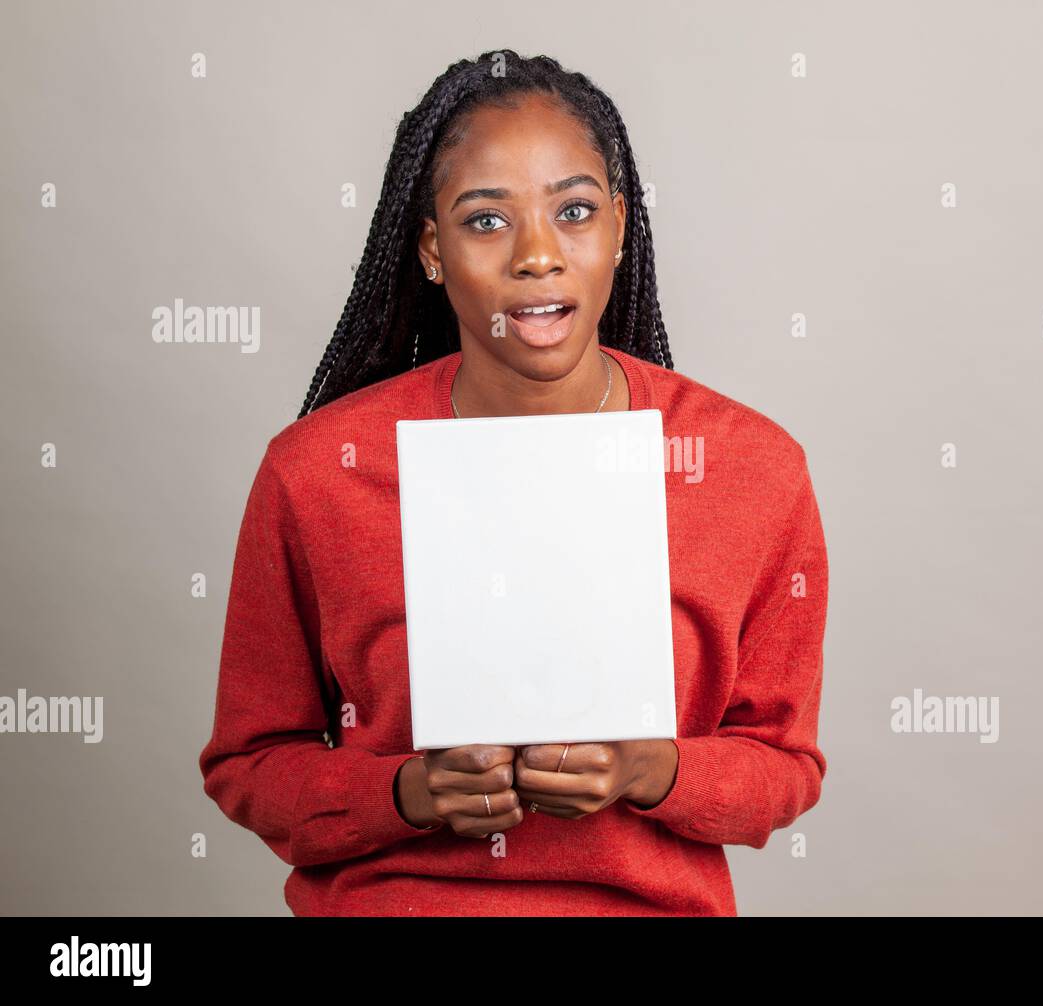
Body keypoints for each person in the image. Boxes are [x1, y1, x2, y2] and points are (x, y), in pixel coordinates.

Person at [198, 48, 829, 916]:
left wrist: (653, 769)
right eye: (486, 221)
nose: (538, 255)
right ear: (431, 250)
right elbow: (250, 764)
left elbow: (784, 766)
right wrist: (409, 794)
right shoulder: (317, 473)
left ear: (618, 227)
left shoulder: (752, 469)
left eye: (573, 211)